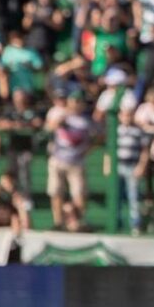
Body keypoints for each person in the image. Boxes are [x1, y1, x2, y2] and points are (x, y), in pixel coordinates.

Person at [46, 92, 96, 228]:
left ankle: (78, 222)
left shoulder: (86, 121)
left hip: (76, 162)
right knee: (56, 191)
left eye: (78, 102)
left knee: (79, 193)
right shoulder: (60, 114)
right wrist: (61, 120)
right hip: (58, 160)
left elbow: (97, 137)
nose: (76, 105)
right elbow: (49, 127)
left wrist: (87, 150)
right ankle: (58, 222)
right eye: (73, 101)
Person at [115, 108, 147, 234]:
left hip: (132, 166)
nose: (126, 118)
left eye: (129, 115)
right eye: (124, 115)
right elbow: (109, 149)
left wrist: (141, 166)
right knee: (116, 196)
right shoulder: (116, 130)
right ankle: (117, 222)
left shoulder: (138, 131)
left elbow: (144, 150)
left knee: (133, 196)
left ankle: (135, 224)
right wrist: (108, 166)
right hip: (118, 166)